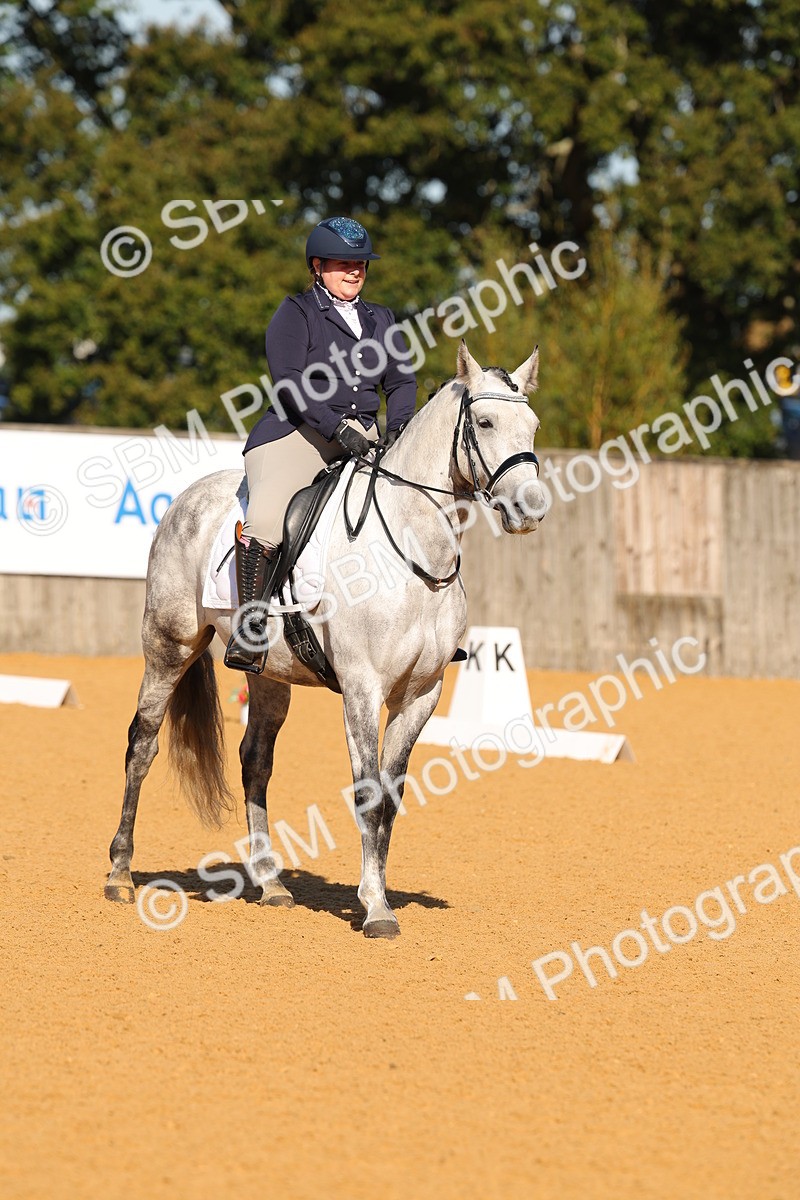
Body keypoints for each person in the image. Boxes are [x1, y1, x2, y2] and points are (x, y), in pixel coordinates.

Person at [224, 215, 418, 672]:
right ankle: (250, 630)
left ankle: (427, 627)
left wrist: (400, 428)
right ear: (317, 265)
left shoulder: (381, 318)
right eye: (344, 262)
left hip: (363, 436)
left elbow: (403, 381)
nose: (355, 270)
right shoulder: (296, 313)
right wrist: (335, 427)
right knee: (267, 516)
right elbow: (290, 387)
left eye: (361, 263)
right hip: (299, 435)